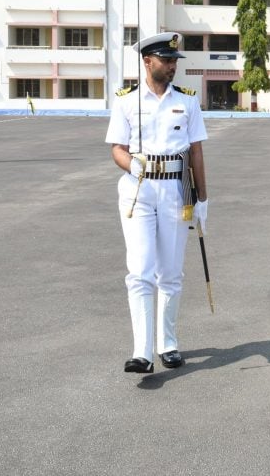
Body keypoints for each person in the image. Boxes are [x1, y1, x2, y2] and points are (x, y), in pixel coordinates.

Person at [106, 32, 208, 374]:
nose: (172, 66)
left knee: (171, 272)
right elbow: (117, 148)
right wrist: (131, 162)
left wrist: (202, 199)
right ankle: (142, 353)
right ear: (147, 61)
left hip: (176, 191)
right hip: (138, 191)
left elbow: (195, 150)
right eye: (166, 60)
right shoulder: (125, 101)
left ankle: (168, 343)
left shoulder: (188, 101)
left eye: (174, 60)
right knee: (139, 271)